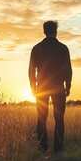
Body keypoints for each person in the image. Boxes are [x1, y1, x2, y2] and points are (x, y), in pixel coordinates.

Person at [29, 20, 72, 153]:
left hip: (41, 87)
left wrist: (33, 87)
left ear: (44, 31)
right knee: (59, 119)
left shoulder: (36, 48)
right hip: (58, 87)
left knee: (41, 118)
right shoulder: (63, 48)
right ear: (56, 31)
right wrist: (68, 85)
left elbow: (31, 70)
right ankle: (58, 148)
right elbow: (68, 69)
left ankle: (42, 147)